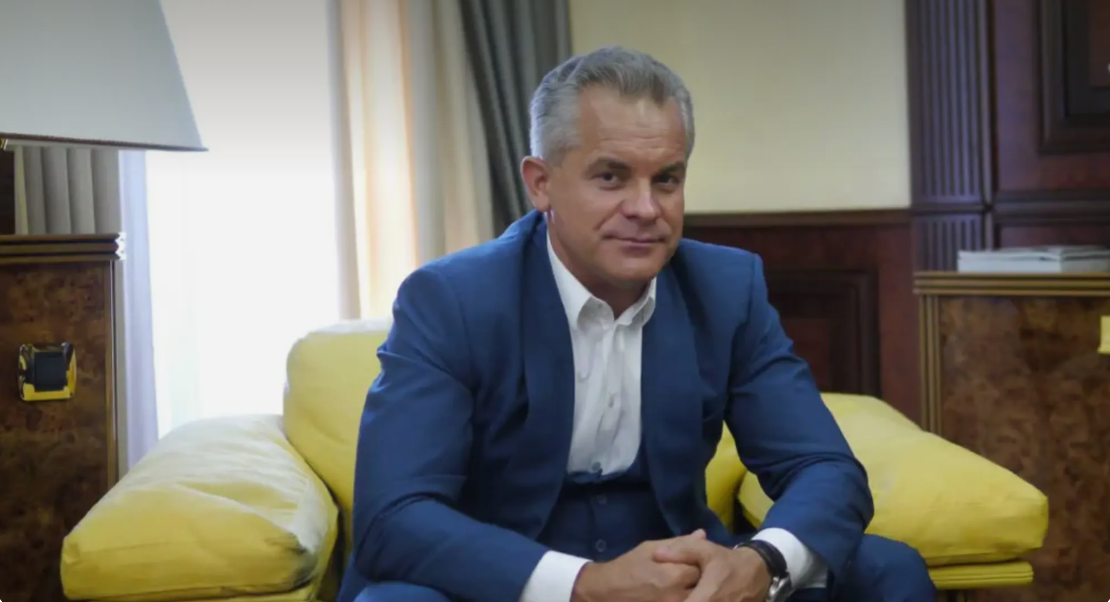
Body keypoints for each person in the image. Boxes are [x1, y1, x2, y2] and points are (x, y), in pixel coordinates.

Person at [337, 45, 935, 602]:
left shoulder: (726, 290)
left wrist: (761, 563)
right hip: (508, 581)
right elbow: (394, 517)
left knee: (889, 570)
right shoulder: (452, 299)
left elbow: (824, 468)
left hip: (679, 580)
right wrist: (584, 584)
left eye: (666, 179)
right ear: (541, 183)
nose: (646, 209)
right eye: (611, 177)